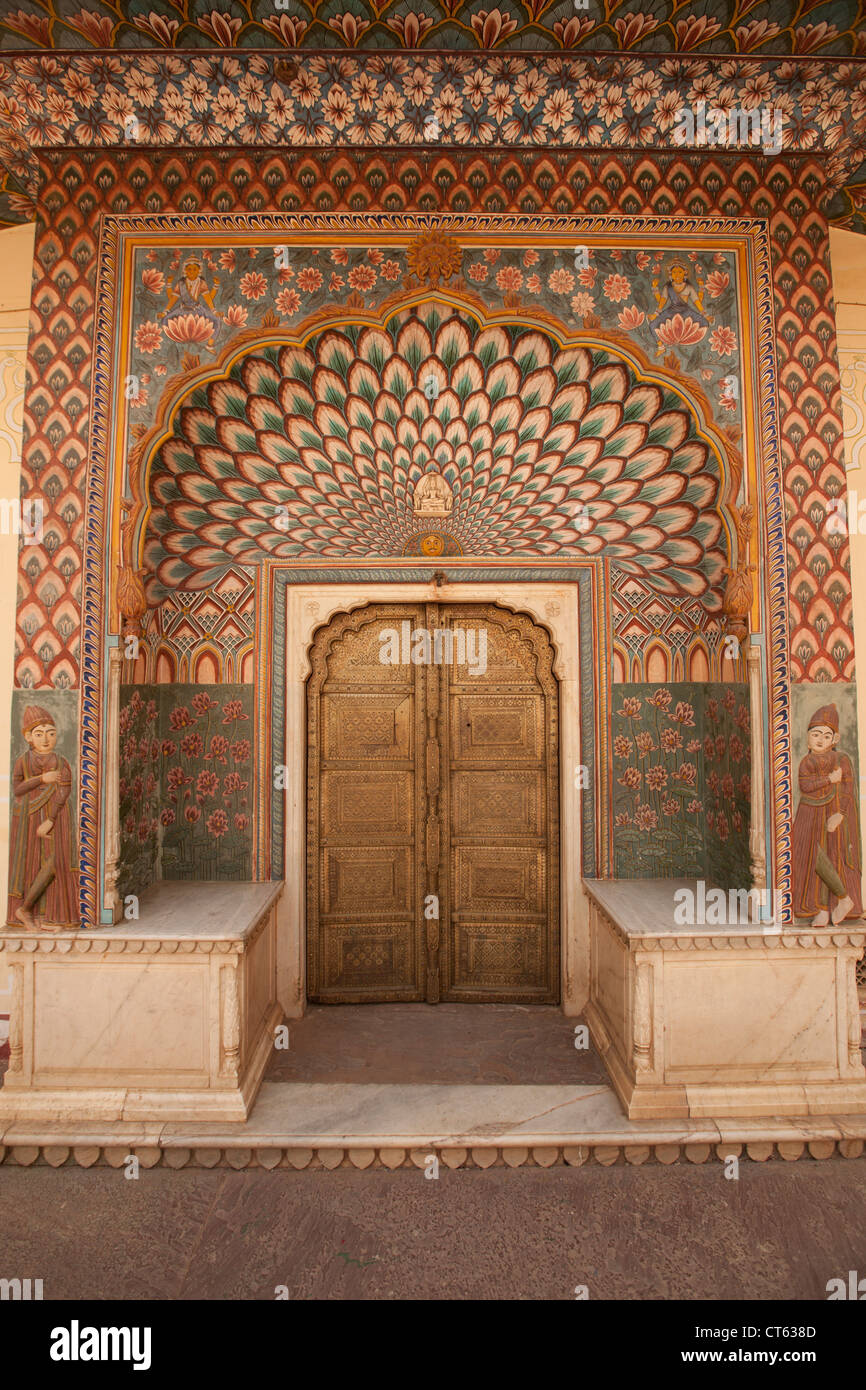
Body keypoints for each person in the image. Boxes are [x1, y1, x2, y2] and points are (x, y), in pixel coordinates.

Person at [7, 706, 78, 930]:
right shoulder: (23, 761)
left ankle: (37, 912)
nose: (46, 739)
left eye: (50, 732)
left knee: (56, 862)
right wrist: (42, 779)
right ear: (28, 737)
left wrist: (50, 820)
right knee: (31, 864)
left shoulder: (61, 761)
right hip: (28, 817)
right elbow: (17, 789)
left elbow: (64, 790)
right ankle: (31, 913)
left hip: (55, 817)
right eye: (39, 733)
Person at [791, 704, 862, 924]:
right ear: (807, 737)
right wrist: (829, 780)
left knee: (830, 856)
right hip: (809, 813)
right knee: (806, 856)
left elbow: (848, 789)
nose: (820, 739)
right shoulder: (806, 762)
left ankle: (840, 901)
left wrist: (840, 814)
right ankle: (820, 908)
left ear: (835, 738)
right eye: (815, 734)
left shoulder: (841, 759)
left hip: (832, 812)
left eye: (826, 735)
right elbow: (806, 785)